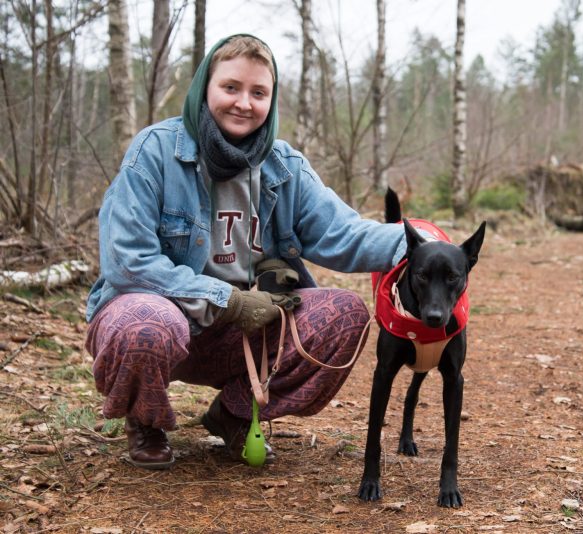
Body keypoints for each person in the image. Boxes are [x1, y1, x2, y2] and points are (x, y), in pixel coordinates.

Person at [84, 34, 407, 470]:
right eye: (231, 87)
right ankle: (145, 420)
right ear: (205, 88)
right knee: (145, 322)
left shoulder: (283, 166)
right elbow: (128, 262)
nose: (244, 103)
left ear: (271, 102)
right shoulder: (155, 152)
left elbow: (346, 234)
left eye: (259, 93)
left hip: (234, 337)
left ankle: (234, 415)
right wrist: (230, 300)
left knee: (345, 313)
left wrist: (421, 240)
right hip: (159, 320)